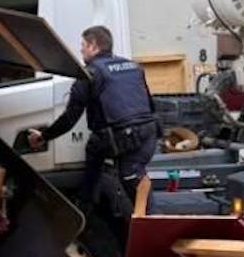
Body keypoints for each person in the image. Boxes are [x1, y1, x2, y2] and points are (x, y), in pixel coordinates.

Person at [28, 25, 159, 207]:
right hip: (148, 134)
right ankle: (93, 200)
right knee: (107, 156)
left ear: (94, 46)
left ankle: (88, 202)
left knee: (129, 178)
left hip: (124, 137)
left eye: (83, 45)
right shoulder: (133, 67)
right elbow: (150, 104)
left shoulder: (89, 74)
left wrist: (44, 136)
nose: (81, 49)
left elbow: (70, 117)